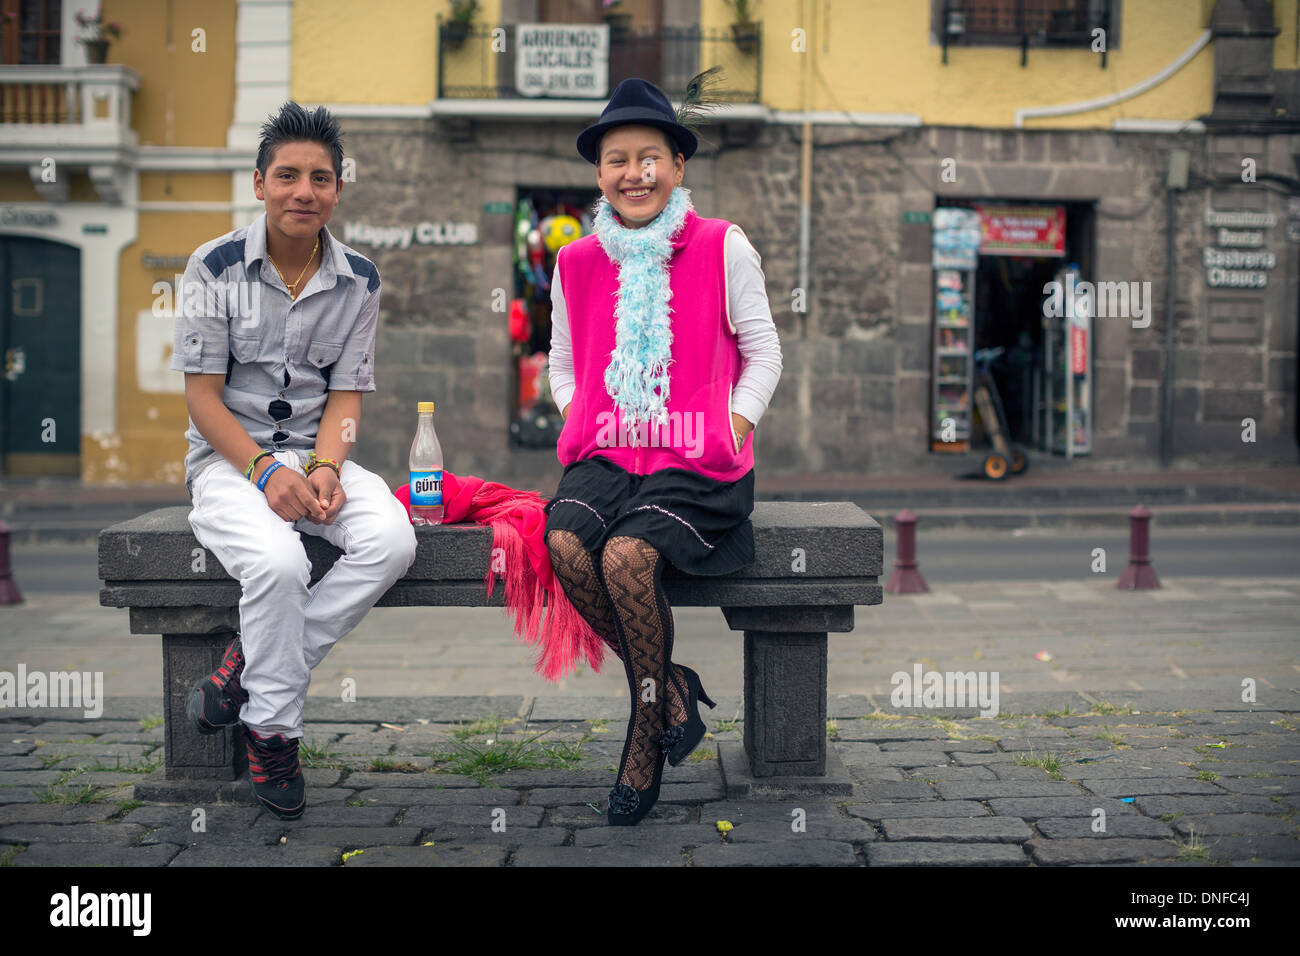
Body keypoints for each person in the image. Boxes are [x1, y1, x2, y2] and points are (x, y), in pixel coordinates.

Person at [544, 76, 783, 825]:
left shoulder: (721, 244)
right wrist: (582, 412)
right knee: (564, 543)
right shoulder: (578, 260)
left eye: (651, 157)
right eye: (618, 159)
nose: (634, 172)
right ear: (599, 173)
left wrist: (734, 426)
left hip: (694, 462)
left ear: (678, 168)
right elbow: (561, 362)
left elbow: (764, 351)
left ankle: (646, 730)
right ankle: (673, 683)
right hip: (608, 456)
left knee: (625, 561)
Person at [170, 102, 417, 820]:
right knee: (279, 565)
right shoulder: (212, 267)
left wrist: (328, 467)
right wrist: (263, 471)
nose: (302, 191)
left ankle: (247, 672)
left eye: (319, 177)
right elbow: (204, 400)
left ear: (338, 189)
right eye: (287, 176)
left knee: (392, 540)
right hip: (228, 462)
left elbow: (346, 396)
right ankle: (274, 734)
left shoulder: (361, 279)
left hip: (315, 455)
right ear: (259, 183)